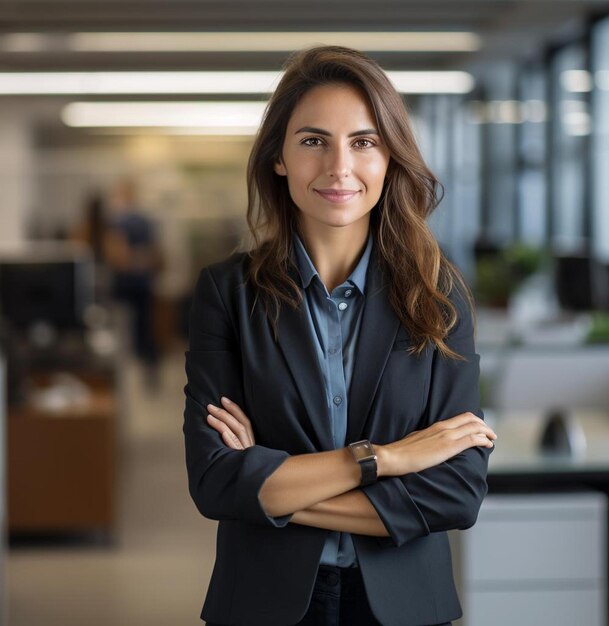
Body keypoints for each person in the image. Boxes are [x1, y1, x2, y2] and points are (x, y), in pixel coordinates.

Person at [183, 45, 497, 626]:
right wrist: (391, 458)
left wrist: (272, 486)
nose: (338, 167)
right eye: (312, 141)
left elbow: (456, 491)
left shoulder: (437, 295)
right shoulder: (227, 293)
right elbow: (215, 482)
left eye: (363, 141)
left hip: (405, 606)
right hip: (262, 603)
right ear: (278, 156)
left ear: (389, 157)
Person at [104, 178, 163, 385]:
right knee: (145, 331)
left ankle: (127, 376)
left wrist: (130, 261)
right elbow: (155, 255)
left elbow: (118, 257)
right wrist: (141, 260)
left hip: (126, 287)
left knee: (125, 334)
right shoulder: (146, 222)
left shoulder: (118, 223)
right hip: (143, 284)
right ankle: (149, 371)